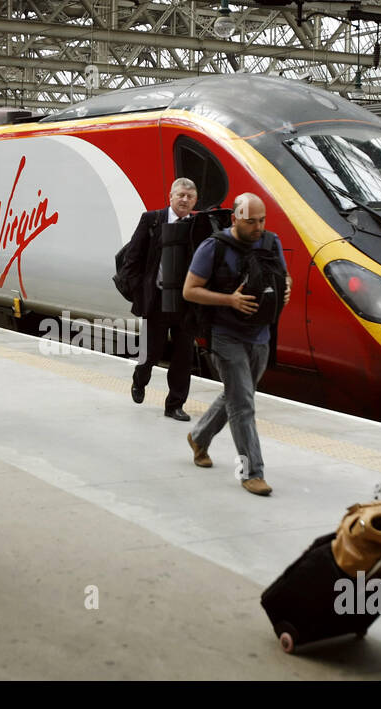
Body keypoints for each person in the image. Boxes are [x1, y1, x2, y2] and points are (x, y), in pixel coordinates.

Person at [181, 192, 290, 496]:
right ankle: (251, 472)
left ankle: (199, 437)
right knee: (243, 405)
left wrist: (286, 290)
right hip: (225, 334)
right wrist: (230, 300)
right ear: (235, 219)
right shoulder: (213, 247)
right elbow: (190, 291)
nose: (258, 227)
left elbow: (283, 277)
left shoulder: (271, 242)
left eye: (262, 220)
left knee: (237, 394)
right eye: (251, 221)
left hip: (261, 334)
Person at [120, 177, 198, 421]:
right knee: (151, 353)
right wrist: (139, 292)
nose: (184, 200)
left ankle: (174, 404)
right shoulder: (152, 219)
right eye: (180, 195)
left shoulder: (197, 225)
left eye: (189, 196)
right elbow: (132, 258)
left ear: (195, 201)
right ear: (171, 197)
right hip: (158, 299)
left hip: (186, 302)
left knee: (183, 356)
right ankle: (140, 378)